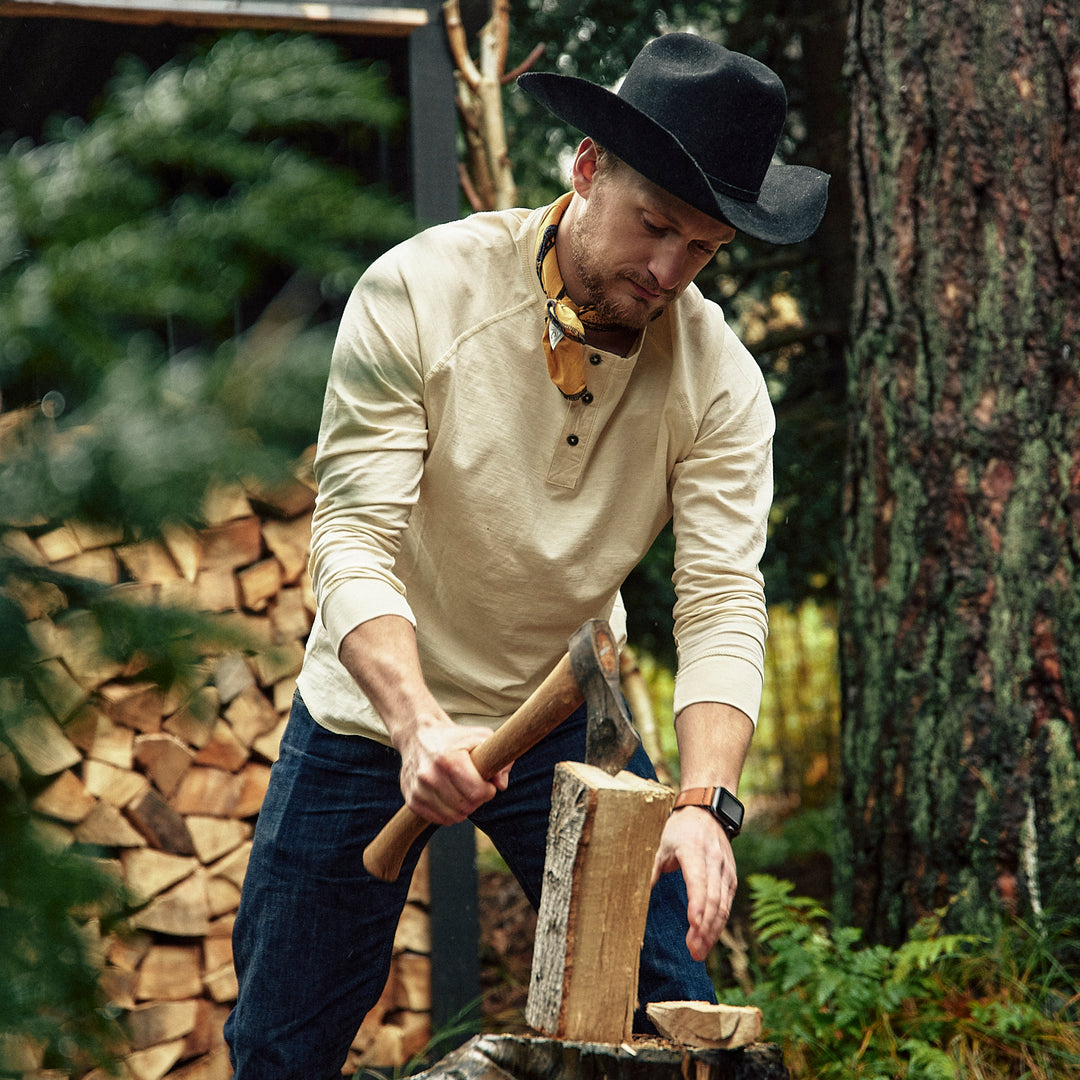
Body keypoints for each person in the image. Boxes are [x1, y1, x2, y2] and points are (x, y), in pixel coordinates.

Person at [225, 31, 828, 1079]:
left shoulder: (719, 381)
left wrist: (703, 806)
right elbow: (354, 543)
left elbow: (724, 600)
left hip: (561, 715)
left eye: (704, 249)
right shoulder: (418, 293)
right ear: (588, 168)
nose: (669, 272)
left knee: (671, 1032)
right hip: (371, 713)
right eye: (655, 228)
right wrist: (417, 729)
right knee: (282, 1049)